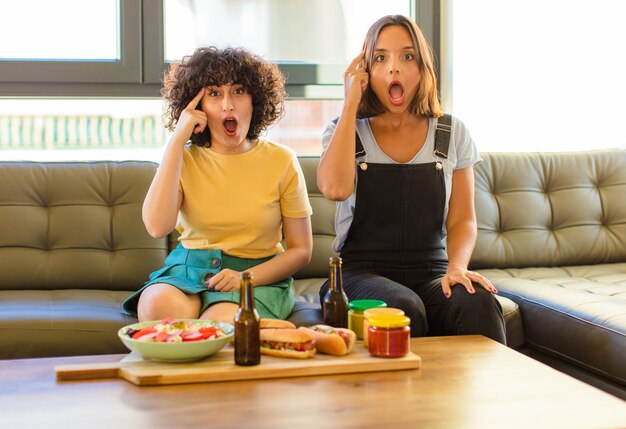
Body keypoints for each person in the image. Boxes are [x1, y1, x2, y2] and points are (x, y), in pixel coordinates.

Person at [317, 15, 506, 343]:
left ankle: (481, 396)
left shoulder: (451, 132)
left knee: (477, 301)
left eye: (407, 56)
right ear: (365, 72)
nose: (394, 68)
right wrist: (350, 103)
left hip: (432, 271)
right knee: (402, 308)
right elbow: (335, 189)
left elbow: (463, 220)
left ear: (422, 68)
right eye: (380, 58)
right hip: (358, 274)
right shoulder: (345, 131)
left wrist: (457, 267)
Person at [123, 46, 313, 324]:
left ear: (255, 100)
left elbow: (301, 250)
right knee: (157, 312)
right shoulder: (183, 158)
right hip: (187, 270)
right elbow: (156, 227)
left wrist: (244, 278)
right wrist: (177, 140)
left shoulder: (282, 160)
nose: (227, 105)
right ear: (198, 106)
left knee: (221, 328)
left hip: (254, 278)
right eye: (214, 94)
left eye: (238, 91)